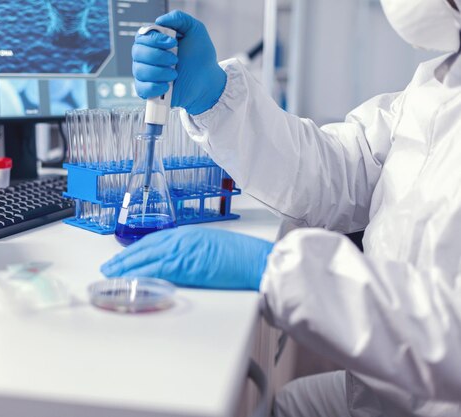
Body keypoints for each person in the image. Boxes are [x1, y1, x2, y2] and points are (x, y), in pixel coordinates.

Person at [100, 0, 461, 415]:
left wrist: (280, 271)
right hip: (391, 387)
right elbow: (342, 172)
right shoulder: (440, 83)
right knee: (289, 404)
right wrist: (215, 98)